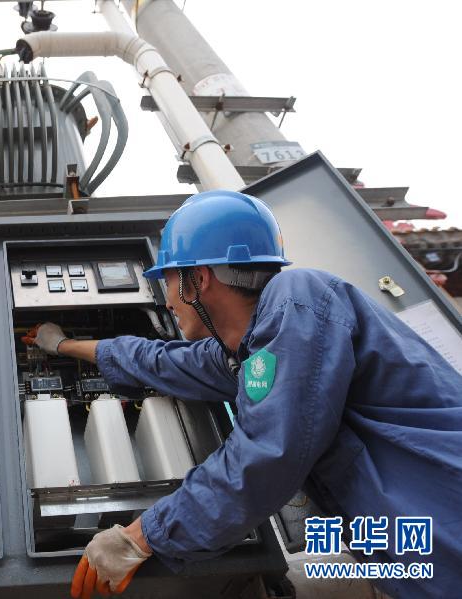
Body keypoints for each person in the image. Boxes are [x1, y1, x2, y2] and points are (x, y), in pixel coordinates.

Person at [24, 190, 462, 598]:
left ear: (198, 279)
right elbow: (159, 360)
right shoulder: (246, 351)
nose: (168, 301)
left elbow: (269, 453)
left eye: (169, 281)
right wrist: (62, 344)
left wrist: (140, 536)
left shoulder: (298, 299)